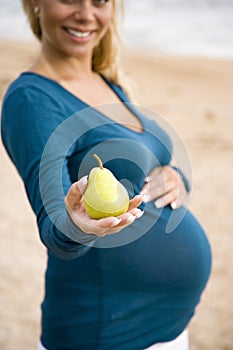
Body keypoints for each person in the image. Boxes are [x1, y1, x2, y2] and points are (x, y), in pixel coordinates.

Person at [1, 0, 212, 349]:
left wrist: (176, 177)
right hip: (105, 333)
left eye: (99, 1)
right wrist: (76, 226)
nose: (86, 14)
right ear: (35, 3)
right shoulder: (32, 99)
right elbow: (54, 223)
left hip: (167, 328)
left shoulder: (109, 83)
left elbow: (147, 166)